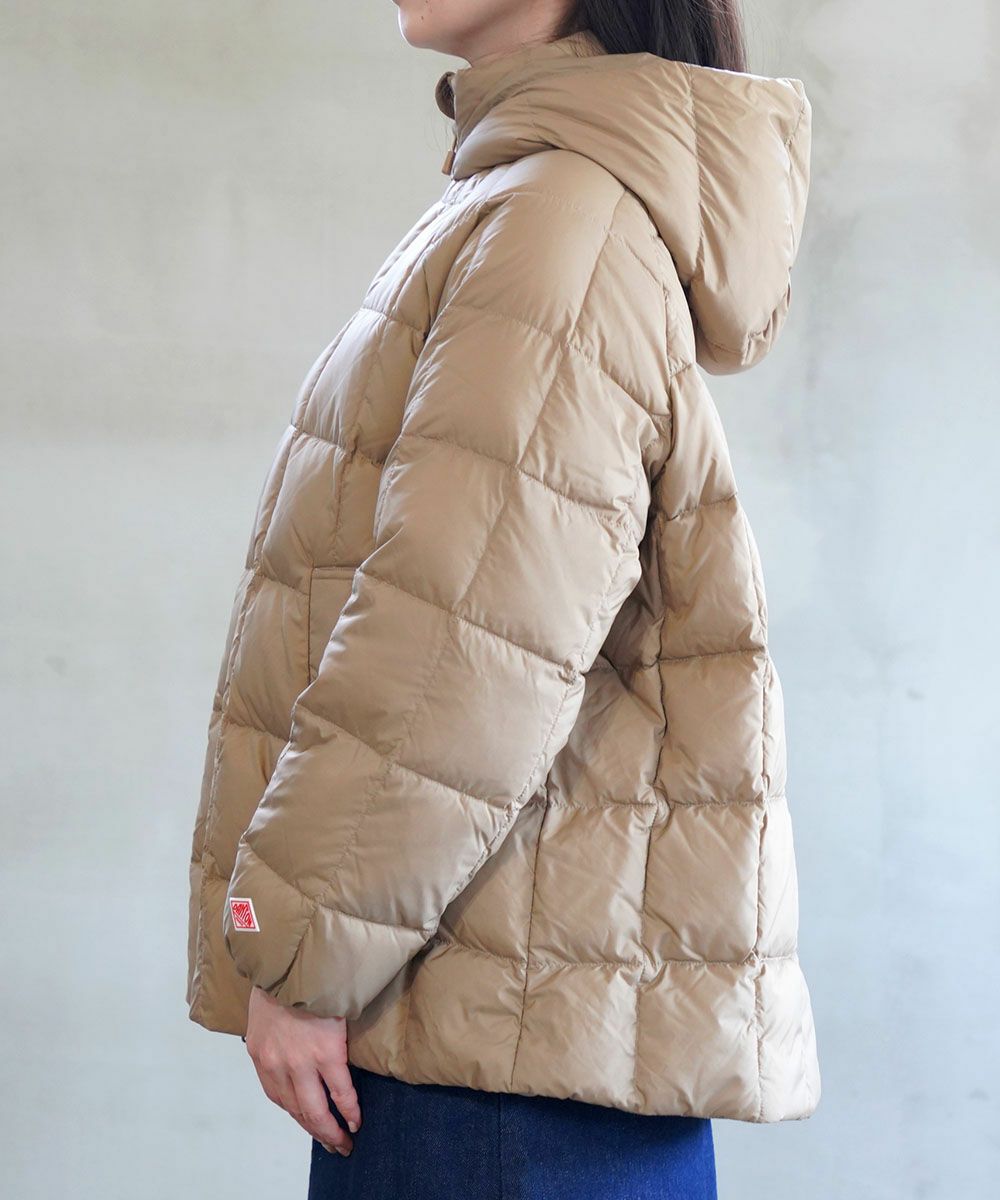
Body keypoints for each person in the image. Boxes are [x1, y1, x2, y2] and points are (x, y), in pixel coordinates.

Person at [185, 1, 821, 1196]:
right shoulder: (527, 198)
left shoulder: (559, 220)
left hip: (495, 1081)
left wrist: (304, 951)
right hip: (500, 1038)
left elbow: (464, 644)